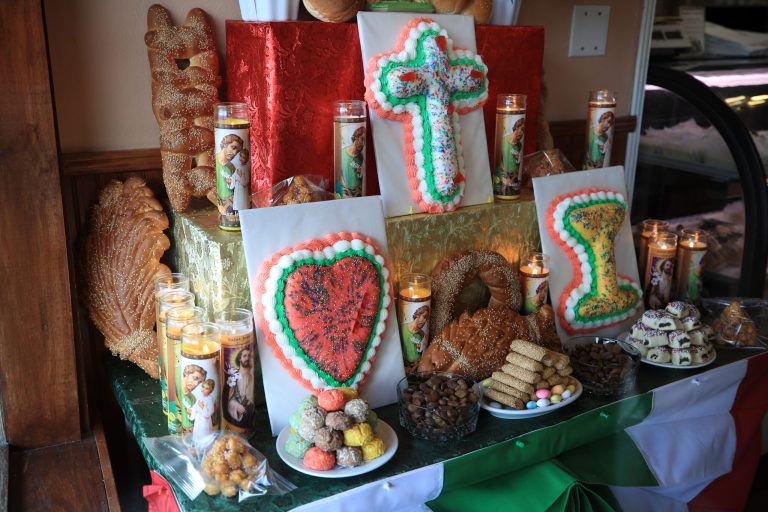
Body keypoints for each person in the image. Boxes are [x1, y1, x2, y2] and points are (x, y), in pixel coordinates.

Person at [225, 347, 255, 427]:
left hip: (250, 415)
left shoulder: (252, 375)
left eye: (249, 356)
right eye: (244, 356)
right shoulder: (234, 377)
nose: (247, 358)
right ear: (239, 359)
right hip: (239, 415)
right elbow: (229, 400)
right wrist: (237, 406)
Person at [495, 117, 525, 196]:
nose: (522, 133)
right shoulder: (503, 141)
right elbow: (498, 159)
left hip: (514, 177)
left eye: (524, 131)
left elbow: (517, 164)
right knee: (503, 191)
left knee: (513, 192)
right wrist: (505, 173)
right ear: (516, 127)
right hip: (504, 174)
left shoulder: (519, 145)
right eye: (522, 129)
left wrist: (518, 159)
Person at [215, 134, 243, 215]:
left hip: (231, 206)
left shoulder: (231, 167)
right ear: (225, 144)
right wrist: (219, 204)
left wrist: (232, 184)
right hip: (221, 205)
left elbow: (234, 191)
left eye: (237, 151)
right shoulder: (214, 161)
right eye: (233, 147)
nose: (234, 153)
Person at [337, 126, 365, 197]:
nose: (363, 144)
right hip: (345, 191)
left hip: (358, 192)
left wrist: (360, 174)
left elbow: (359, 177)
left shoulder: (360, 157)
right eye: (362, 139)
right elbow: (339, 175)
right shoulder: (342, 153)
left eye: (364, 141)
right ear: (356, 137)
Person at [178, 364, 207, 431]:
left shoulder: (193, 398)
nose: (196, 384)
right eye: (195, 378)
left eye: (199, 382)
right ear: (186, 374)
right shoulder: (175, 384)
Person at [190, 379, 216, 446]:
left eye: (206, 388)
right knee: (197, 432)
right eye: (203, 387)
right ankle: (196, 445)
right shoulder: (200, 397)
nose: (204, 389)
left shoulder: (210, 399)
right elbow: (195, 406)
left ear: (211, 390)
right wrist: (191, 410)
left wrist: (202, 407)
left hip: (204, 421)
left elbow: (209, 412)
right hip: (198, 419)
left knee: (204, 434)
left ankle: (204, 446)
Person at [231, 146, 250, 212]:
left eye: (243, 157)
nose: (241, 158)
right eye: (241, 156)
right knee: (237, 203)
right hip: (237, 189)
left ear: (246, 159)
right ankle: (238, 213)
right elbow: (234, 176)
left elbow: (246, 182)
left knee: (242, 203)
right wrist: (231, 179)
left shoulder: (245, 168)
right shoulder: (238, 167)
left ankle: (243, 213)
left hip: (242, 190)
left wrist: (241, 176)